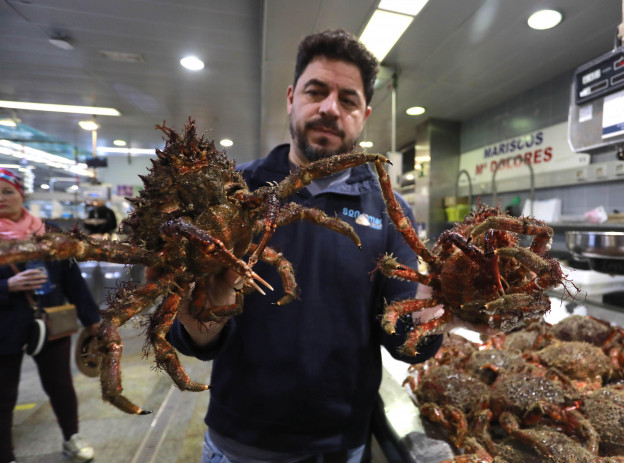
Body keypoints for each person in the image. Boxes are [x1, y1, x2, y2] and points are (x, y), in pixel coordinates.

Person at [168, 30, 447, 463]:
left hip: (342, 444)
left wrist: (442, 307)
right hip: (240, 441)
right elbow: (189, 337)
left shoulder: (391, 209)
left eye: (348, 100)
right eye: (316, 91)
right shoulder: (230, 190)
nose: (330, 108)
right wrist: (200, 318)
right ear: (291, 97)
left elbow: (405, 341)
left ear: (364, 114)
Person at [0, 169, 101, 463]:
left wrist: (92, 319)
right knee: (4, 395)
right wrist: (7, 285)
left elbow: (73, 280)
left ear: (22, 195)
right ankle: (6, 455)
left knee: (60, 386)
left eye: (7, 191)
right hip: (4, 325)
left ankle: (72, 438)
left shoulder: (50, 231)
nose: (1, 198)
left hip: (51, 320)